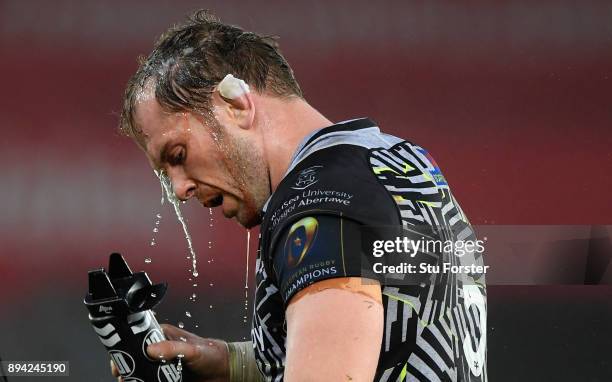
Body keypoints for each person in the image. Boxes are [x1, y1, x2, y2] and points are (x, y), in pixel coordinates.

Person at [112, 10, 487, 382]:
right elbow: (387, 339)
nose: (179, 190)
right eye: (167, 176)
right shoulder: (397, 160)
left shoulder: (319, 205)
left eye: (178, 155)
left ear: (237, 105)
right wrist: (232, 364)